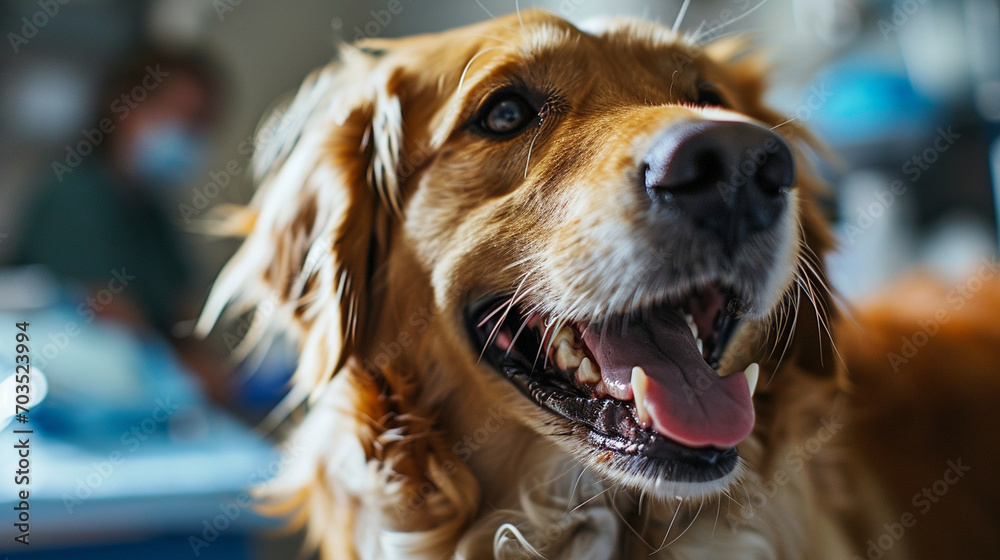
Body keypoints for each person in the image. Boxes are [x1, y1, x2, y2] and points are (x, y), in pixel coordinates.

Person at [12, 47, 233, 401]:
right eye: (183, 119)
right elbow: (106, 309)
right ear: (126, 108)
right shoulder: (75, 196)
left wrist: (211, 366)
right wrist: (189, 373)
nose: (192, 138)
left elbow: (183, 312)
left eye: (204, 125)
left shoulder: (152, 215)